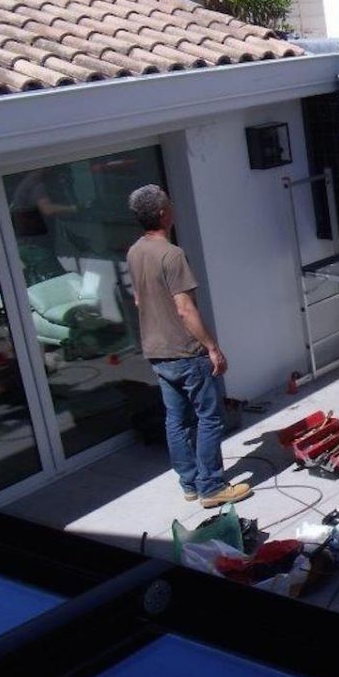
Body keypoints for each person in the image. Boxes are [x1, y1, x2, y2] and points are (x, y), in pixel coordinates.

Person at [126, 185, 250, 508]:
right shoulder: (171, 255)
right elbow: (185, 309)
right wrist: (212, 347)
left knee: (176, 419)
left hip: (157, 353)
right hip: (186, 352)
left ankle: (190, 483)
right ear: (164, 213)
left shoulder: (135, 252)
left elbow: (139, 300)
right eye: (170, 202)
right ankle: (211, 487)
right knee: (210, 418)